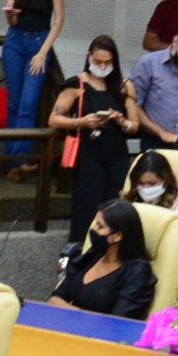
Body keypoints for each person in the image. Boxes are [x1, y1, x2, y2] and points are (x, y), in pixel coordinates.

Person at [53, 36, 135, 244]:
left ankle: (111, 253)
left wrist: (121, 121)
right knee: (86, 207)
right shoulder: (76, 84)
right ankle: (79, 252)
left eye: (108, 62)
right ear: (89, 58)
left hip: (117, 152)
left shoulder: (124, 85)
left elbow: (134, 125)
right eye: (98, 62)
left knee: (115, 208)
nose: (103, 67)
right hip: (88, 153)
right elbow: (54, 119)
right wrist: (81, 122)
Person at [0, 0, 62, 149]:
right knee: (14, 103)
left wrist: (43, 52)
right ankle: (10, 158)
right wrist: (10, 14)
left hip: (39, 41)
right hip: (14, 41)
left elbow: (59, 19)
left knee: (28, 104)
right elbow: (13, 20)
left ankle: (21, 157)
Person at [47, 200, 156, 318]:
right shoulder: (92, 255)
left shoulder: (137, 271)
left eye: (100, 226)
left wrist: (72, 313)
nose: (93, 229)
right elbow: (54, 299)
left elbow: (118, 320)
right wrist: (78, 315)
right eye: (95, 223)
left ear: (118, 236)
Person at [127, 148, 178, 251]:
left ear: (166, 180)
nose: (145, 188)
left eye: (152, 183)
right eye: (140, 183)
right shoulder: (133, 199)